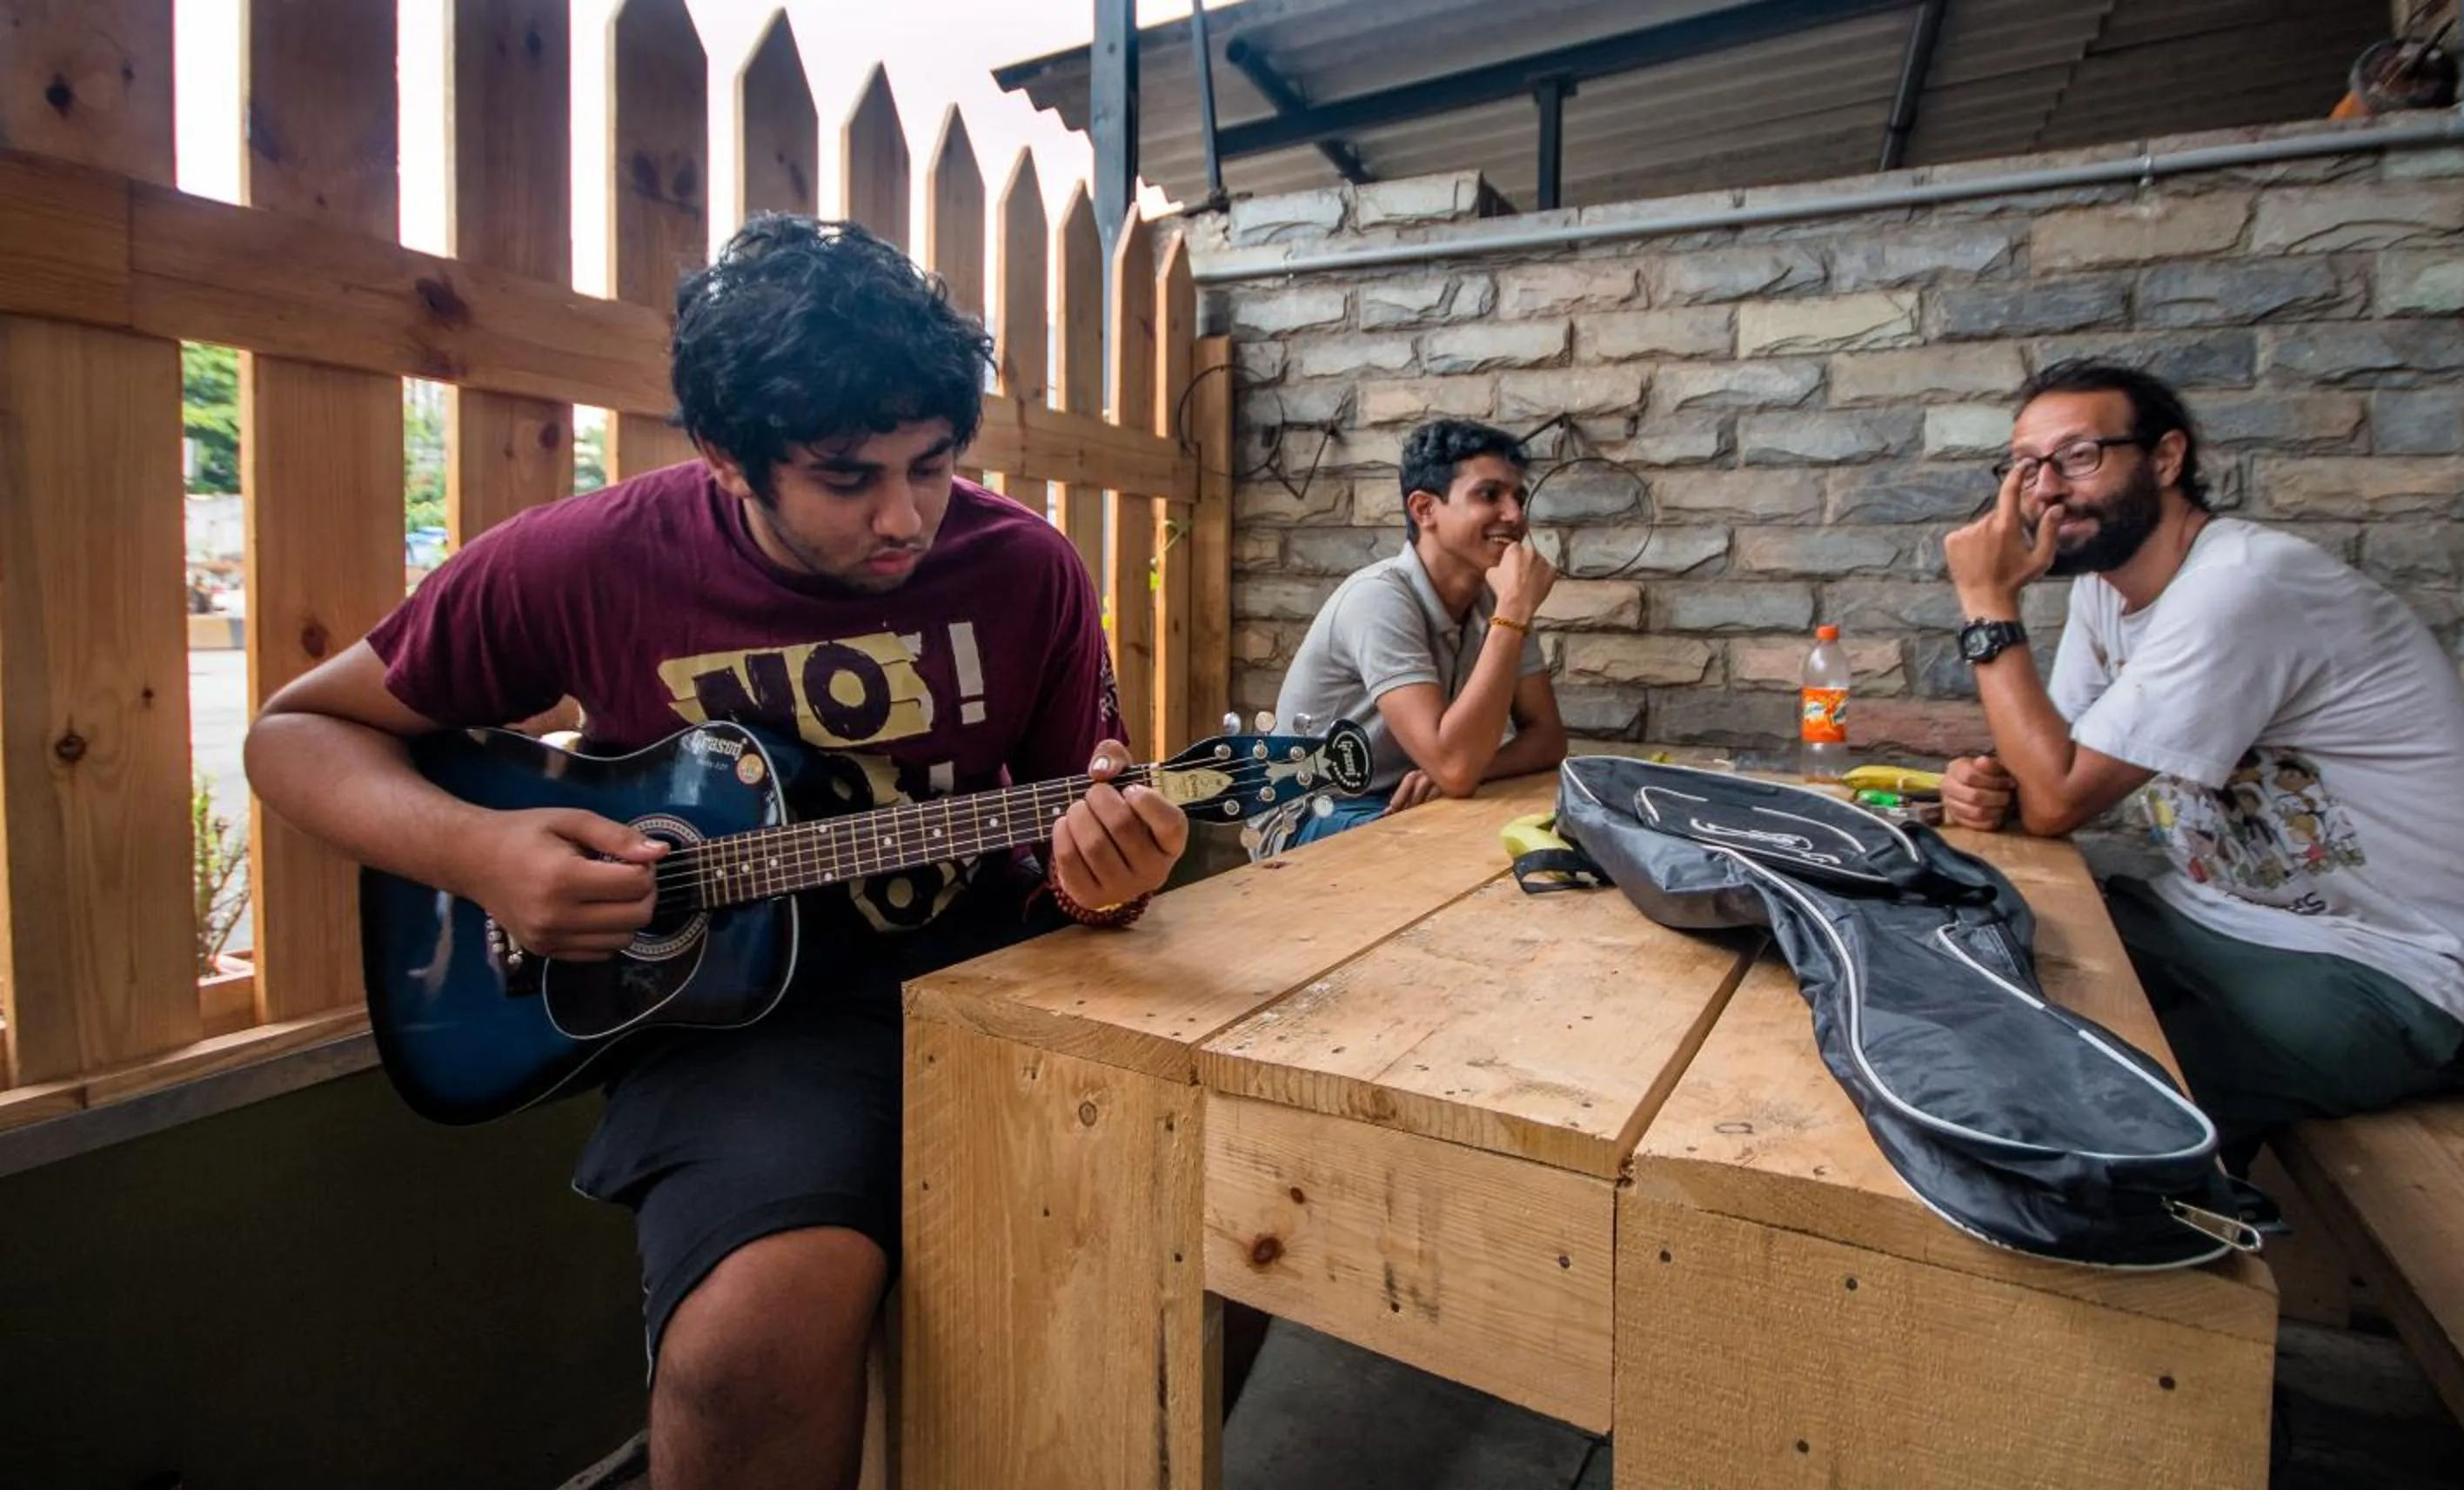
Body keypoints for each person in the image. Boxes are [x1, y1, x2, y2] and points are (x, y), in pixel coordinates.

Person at [242, 214, 1190, 1490]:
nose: (905, 514)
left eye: (934, 461)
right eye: (847, 477)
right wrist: (481, 855)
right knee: (745, 1352)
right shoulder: (586, 559)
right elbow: (295, 735)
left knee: (1172, 1265)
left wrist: (1103, 879)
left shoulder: (1027, 570)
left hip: (994, 988)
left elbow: (1075, 830)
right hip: (737, 1024)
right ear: (725, 458)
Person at [1934, 359, 2464, 1157]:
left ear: (2164, 459)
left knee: (2068, 1084)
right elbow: (2047, 778)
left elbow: (2061, 797)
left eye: (2078, 456)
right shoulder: (2102, 593)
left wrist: (1987, 605)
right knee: (1962, 954)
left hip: (2408, 972)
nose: (2046, 487)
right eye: (2024, 465)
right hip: (2215, 919)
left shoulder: (2243, 584)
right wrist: (1988, 788)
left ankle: (2180, 1253)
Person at [1255, 419, 1569, 856]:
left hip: (1407, 797)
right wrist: (1514, 612)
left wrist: (1468, 769)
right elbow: (1456, 766)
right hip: (1313, 813)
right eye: (1489, 494)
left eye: (1519, 497)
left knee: (1553, 831)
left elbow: (1547, 739)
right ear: (1424, 509)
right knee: (1483, 852)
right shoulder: (1379, 598)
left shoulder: (1493, 599)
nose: (1516, 516)